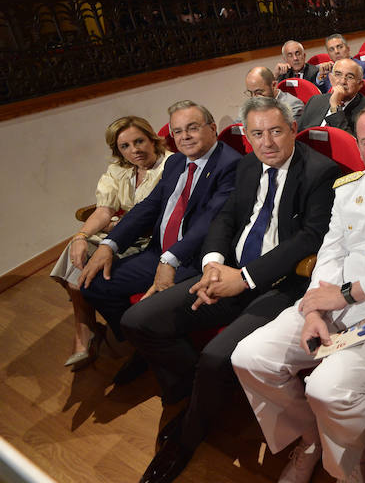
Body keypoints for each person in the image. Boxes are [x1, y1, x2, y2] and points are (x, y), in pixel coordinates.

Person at [232, 105, 365, 483]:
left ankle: (352, 466)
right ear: (359, 146)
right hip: (333, 301)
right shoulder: (347, 188)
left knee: (327, 388)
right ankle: (312, 438)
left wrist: (345, 295)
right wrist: (315, 309)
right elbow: (332, 250)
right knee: (250, 357)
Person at [127, 97, 340, 483]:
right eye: (257, 133)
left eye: (276, 131)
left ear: (293, 130)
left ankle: (190, 434)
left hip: (281, 284)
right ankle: (197, 395)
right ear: (247, 136)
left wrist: (243, 279)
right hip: (227, 273)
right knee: (139, 320)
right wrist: (211, 266)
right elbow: (226, 219)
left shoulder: (321, 172)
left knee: (215, 357)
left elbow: (310, 237)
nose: (267, 143)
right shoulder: (245, 166)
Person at [79, 102, 241, 380]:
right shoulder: (176, 161)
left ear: (212, 129)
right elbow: (148, 207)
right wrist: (109, 245)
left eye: (192, 128)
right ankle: (142, 349)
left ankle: (189, 378)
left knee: (145, 315)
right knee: (93, 285)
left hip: (194, 259)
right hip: (159, 251)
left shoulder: (232, 164)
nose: (184, 137)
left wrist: (170, 259)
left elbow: (210, 222)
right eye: (178, 131)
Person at [51, 117, 171, 370]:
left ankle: (86, 330)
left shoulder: (171, 165)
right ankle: (86, 327)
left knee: (83, 273)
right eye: (125, 146)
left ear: (152, 138)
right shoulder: (119, 170)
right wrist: (80, 237)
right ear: (118, 151)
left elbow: (164, 216)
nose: (134, 150)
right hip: (121, 233)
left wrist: (117, 227)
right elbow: (104, 210)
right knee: (76, 253)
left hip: (150, 239)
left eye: (139, 141)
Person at [299, 58, 365, 137]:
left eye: (350, 77)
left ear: (360, 85)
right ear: (331, 78)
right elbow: (297, 134)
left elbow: (351, 145)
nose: (342, 81)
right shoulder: (315, 100)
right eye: (338, 74)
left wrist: (335, 107)